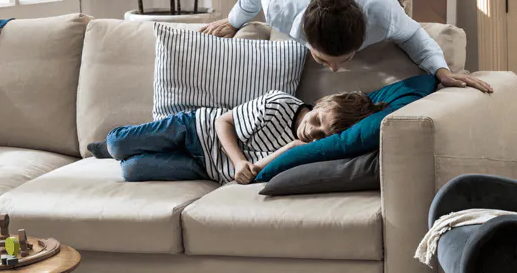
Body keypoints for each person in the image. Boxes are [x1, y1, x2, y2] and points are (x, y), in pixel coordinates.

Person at [201, 0, 492, 93]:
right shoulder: (279, 4)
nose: (335, 68)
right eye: (323, 58)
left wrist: (442, 71)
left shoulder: (384, 12)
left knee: (400, 63)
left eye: (345, 58)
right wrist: (234, 20)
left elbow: (413, 36)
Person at [87, 90, 387, 185]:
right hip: (195, 129)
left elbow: (251, 173)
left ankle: (123, 154)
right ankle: (109, 146)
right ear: (319, 104)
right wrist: (238, 161)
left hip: (204, 167)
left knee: (131, 170)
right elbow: (223, 121)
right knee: (117, 144)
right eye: (317, 121)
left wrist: (291, 147)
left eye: (322, 136)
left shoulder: (303, 150)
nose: (312, 132)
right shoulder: (279, 104)